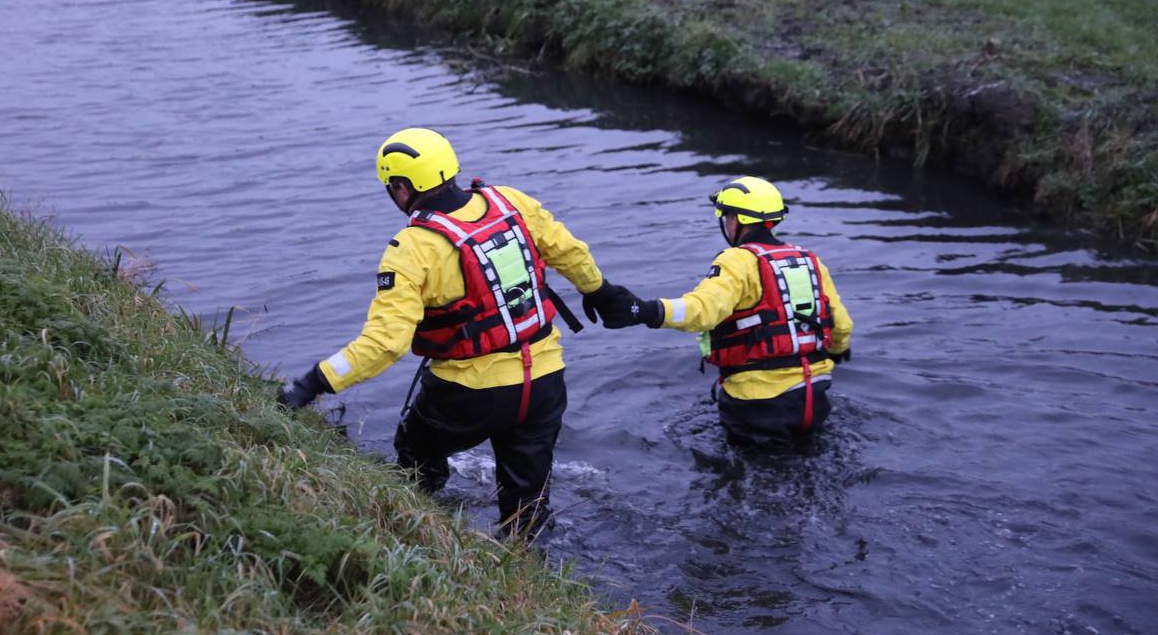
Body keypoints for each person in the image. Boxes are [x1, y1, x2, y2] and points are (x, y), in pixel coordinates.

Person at [279, 127, 626, 537]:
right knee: (527, 504)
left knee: (416, 454)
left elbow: (385, 344)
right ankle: (525, 568)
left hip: (467, 395)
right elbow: (570, 251)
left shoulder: (411, 248)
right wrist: (599, 291)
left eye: (392, 187)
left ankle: (421, 536)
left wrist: (312, 383)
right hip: (545, 383)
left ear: (404, 188)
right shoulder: (512, 202)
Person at [593, 176, 853, 448]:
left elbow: (702, 311)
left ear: (736, 220)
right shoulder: (809, 259)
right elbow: (841, 324)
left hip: (758, 403)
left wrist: (646, 311)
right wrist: (839, 348)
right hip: (814, 396)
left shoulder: (737, 260)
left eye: (727, 215)